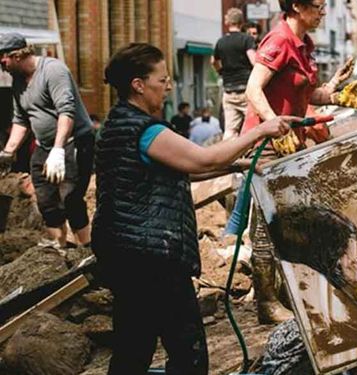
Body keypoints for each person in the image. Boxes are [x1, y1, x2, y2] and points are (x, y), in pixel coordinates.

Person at [93, 42, 295, 375]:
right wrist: (260, 130)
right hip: (153, 257)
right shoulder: (146, 130)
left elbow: (187, 168)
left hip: (126, 253)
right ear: (138, 85)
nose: (168, 85)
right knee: (187, 351)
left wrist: (238, 166)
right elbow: (203, 158)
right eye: (162, 79)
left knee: (134, 346)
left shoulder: (117, 124)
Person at [242, 0, 357, 324]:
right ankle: (266, 302)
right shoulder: (279, 41)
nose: (323, 11)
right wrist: (272, 124)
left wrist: (337, 96)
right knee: (266, 225)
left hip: (289, 143)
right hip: (266, 145)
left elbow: (306, 94)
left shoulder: (304, 45)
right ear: (297, 6)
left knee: (288, 222)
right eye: (318, 5)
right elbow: (252, 89)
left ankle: (287, 293)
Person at [0, 32, 94, 248]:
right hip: (44, 145)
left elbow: (66, 111)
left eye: (2, 59)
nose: (1, 65)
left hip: (74, 141)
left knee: (70, 197)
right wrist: (8, 151)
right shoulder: (18, 82)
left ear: (15, 55)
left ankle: (86, 248)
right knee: (45, 199)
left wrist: (59, 150)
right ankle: (59, 245)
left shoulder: (53, 70)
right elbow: (21, 119)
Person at [213, 8, 256, 140]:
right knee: (253, 128)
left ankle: (231, 159)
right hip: (246, 90)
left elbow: (214, 61)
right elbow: (253, 60)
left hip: (229, 90)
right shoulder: (246, 39)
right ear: (241, 22)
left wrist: (221, 71)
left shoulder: (221, 42)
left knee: (230, 130)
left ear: (227, 22)